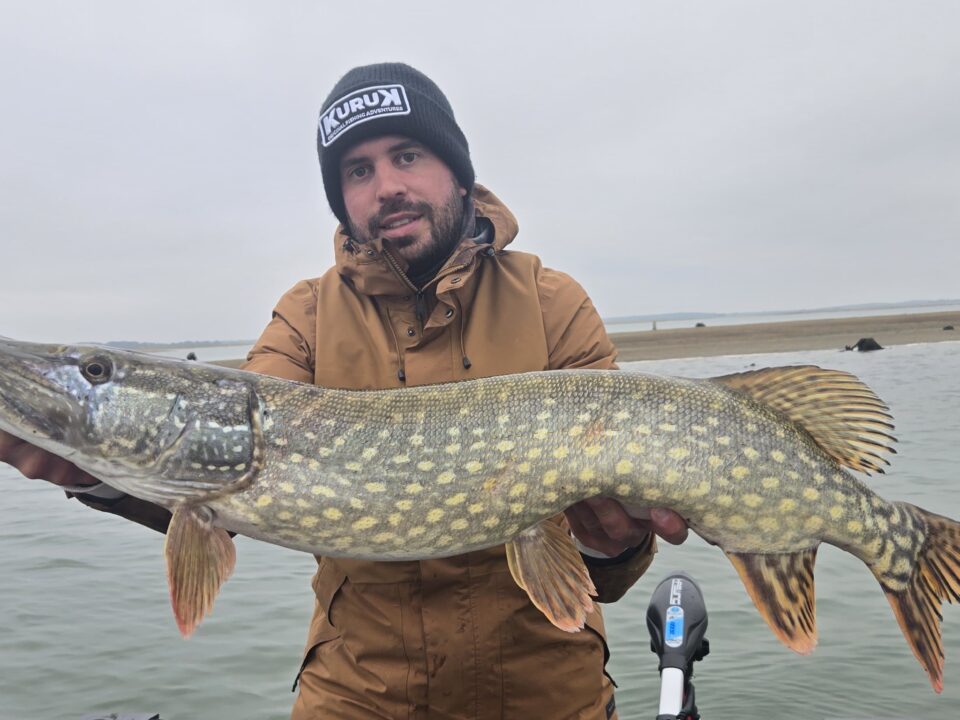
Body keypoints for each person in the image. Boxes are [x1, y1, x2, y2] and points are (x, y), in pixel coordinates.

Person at [0, 63, 687, 719]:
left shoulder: (550, 303)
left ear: (457, 170)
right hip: (359, 697)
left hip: (547, 697)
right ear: (342, 197)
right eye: (358, 171)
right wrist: (94, 479)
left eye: (407, 155)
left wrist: (613, 544)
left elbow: (610, 577)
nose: (385, 185)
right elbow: (226, 466)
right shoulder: (306, 317)